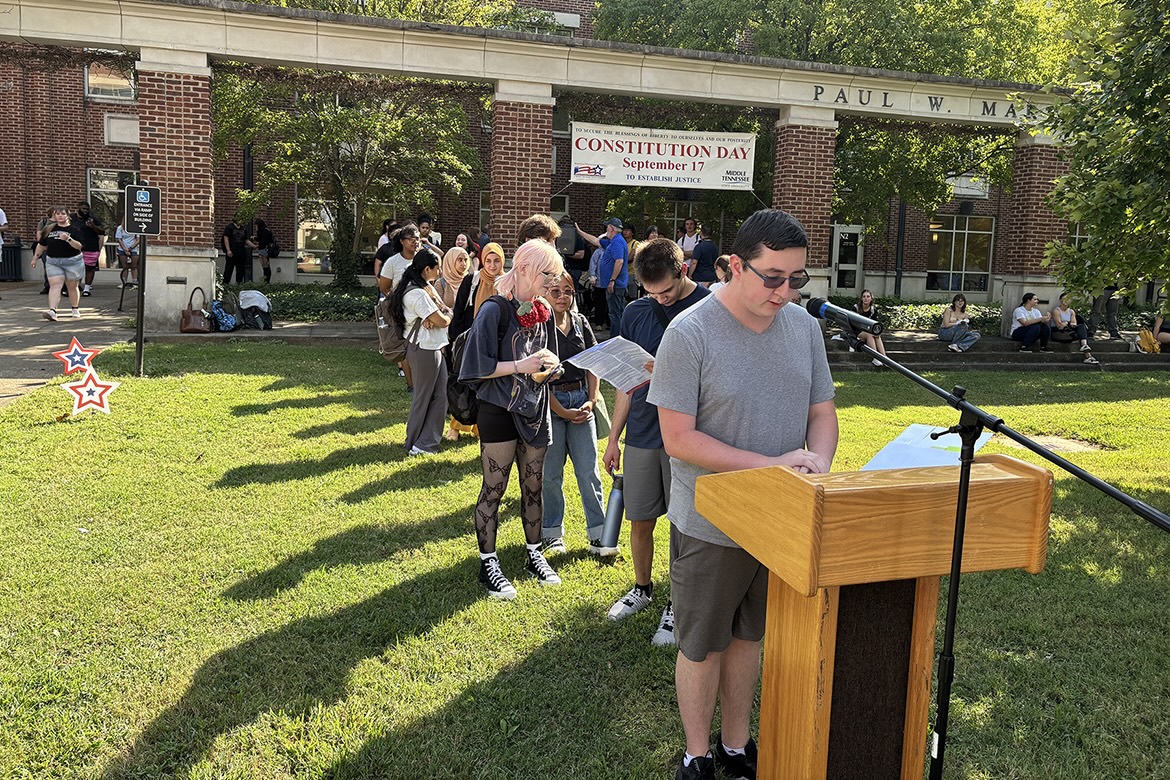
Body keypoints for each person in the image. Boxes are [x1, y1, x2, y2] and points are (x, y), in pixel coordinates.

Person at [647, 208, 838, 780]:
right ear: (734, 265)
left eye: (796, 279)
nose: (784, 292)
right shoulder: (689, 332)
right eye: (772, 277)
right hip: (710, 521)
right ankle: (697, 757)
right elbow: (679, 440)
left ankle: (735, 747)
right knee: (702, 642)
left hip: (778, 520)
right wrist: (773, 465)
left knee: (750, 636)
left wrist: (818, 465)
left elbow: (822, 413)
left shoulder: (804, 328)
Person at [603, 238, 710, 646]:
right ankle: (643, 589)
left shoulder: (708, 308)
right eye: (651, 293)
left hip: (690, 434)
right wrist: (614, 437)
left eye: (665, 290)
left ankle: (676, 606)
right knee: (641, 518)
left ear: (683, 272)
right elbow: (626, 382)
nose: (660, 300)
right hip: (644, 432)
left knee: (684, 524)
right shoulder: (635, 311)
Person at [458, 240, 565, 599]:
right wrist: (522, 366)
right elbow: (476, 367)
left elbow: (546, 356)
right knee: (495, 488)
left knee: (533, 486)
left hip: (535, 409)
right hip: (498, 410)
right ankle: (489, 562)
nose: (551, 281)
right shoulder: (494, 310)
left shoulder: (544, 310)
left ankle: (535, 554)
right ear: (522, 269)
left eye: (554, 274)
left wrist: (550, 367)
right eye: (545, 273)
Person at [540, 272, 608, 556]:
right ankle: (552, 534)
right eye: (555, 292)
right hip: (552, 404)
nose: (561, 297)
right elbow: (538, 375)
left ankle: (599, 533)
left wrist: (591, 401)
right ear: (545, 294)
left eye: (567, 291)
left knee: (588, 471)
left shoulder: (580, 323)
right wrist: (562, 411)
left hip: (581, 402)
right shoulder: (539, 328)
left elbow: (593, 365)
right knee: (551, 474)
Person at [391, 249, 452, 456]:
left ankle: (427, 442)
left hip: (433, 347)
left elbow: (443, 311)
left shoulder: (426, 287)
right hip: (423, 349)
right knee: (424, 396)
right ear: (427, 269)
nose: (440, 271)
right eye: (438, 268)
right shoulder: (416, 293)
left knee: (440, 395)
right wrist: (444, 317)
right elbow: (444, 319)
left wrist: (441, 315)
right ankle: (414, 442)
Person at [378, 224, 422, 391]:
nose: (415, 242)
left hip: (423, 310)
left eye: (417, 239)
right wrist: (397, 300)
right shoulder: (393, 262)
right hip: (402, 312)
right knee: (406, 348)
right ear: (402, 241)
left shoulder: (424, 258)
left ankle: (423, 383)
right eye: (411, 239)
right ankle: (411, 385)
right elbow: (384, 286)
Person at [30, 205, 86, 321]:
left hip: (72, 261)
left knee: (72, 286)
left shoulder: (75, 229)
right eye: (58, 214)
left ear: (67, 215)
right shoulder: (49, 229)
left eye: (63, 214)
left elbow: (79, 246)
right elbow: (41, 245)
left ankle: (75, 308)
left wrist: (68, 239)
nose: (60, 216)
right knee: (55, 285)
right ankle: (52, 311)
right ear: (54, 216)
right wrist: (35, 258)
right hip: (53, 261)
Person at [577, 217, 629, 335]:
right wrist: (580, 232)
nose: (606, 229)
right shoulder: (612, 242)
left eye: (607, 227)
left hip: (616, 285)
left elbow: (619, 261)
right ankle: (617, 337)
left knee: (614, 314)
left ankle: (615, 340)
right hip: (614, 284)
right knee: (615, 313)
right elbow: (595, 241)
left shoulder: (617, 242)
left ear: (611, 228)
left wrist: (612, 280)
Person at [450, 241, 504, 341]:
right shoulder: (472, 279)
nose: (492, 265)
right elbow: (459, 309)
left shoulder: (506, 282)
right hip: (472, 336)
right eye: (488, 261)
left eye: (497, 261)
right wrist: (456, 338)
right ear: (483, 260)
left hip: (498, 337)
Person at [1050, 292, 1099, 364]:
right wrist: (1068, 324)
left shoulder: (1071, 311)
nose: (1066, 300)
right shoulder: (1056, 311)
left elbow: (1074, 324)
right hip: (1058, 333)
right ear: (1060, 300)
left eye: (1068, 299)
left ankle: (1086, 351)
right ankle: (1088, 355)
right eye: (1064, 299)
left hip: (1068, 331)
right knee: (1081, 334)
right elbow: (1059, 326)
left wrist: (1066, 323)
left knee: (1081, 328)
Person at [72, 201, 105, 296]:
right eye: (83, 208)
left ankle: (87, 289)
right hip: (75, 248)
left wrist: (93, 226)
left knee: (89, 269)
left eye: (87, 209)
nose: (85, 211)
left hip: (91, 247)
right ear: (78, 207)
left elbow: (102, 231)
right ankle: (75, 287)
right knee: (75, 269)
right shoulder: (71, 218)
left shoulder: (92, 219)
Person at [854, 289, 889, 367]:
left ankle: (884, 358)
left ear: (871, 299)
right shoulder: (856, 308)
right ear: (861, 298)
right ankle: (876, 358)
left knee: (877, 335)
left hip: (868, 331)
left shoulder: (873, 310)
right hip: (856, 332)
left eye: (868, 296)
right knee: (869, 335)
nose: (866, 298)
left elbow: (874, 324)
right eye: (864, 296)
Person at [221, 214, 255, 286]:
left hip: (241, 251)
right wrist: (228, 250)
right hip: (232, 251)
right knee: (229, 269)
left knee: (240, 269)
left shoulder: (243, 228)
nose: (242, 221)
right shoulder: (229, 227)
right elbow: (226, 238)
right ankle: (225, 284)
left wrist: (254, 246)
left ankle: (239, 284)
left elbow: (246, 240)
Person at [587, 244, 608, 330]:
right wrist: (592, 276)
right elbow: (593, 264)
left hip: (611, 282)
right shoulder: (598, 252)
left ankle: (609, 323)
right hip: (599, 282)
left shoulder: (615, 250)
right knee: (599, 303)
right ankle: (599, 323)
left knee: (610, 304)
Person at [114, 223, 139, 288]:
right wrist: (125, 249)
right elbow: (119, 239)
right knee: (125, 267)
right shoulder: (120, 228)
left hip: (134, 249)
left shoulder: (136, 227)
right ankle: (124, 282)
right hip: (122, 249)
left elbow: (138, 240)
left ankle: (135, 283)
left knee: (134, 266)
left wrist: (130, 248)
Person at [253, 218, 275, 283]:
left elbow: (263, 241)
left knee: (265, 267)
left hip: (264, 250)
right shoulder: (266, 230)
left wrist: (256, 239)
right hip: (264, 249)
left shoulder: (264, 231)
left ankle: (266, 281)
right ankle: (266, 281)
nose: (256, 227)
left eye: (256, 226)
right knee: (265, 267)